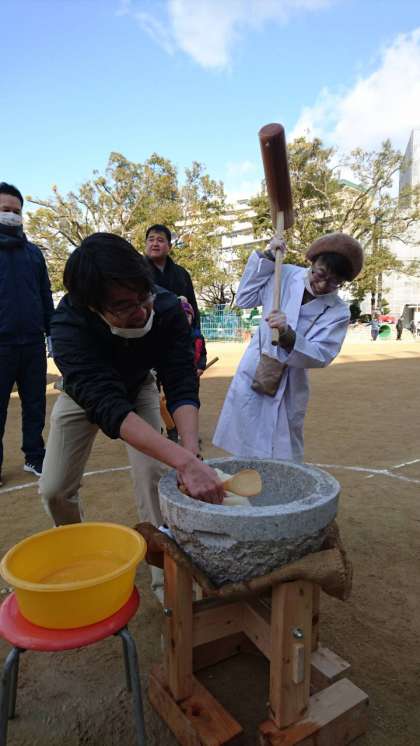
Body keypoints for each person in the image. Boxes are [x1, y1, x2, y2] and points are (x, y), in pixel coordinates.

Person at [39, 233, 224, 533]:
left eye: (143, 296)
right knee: (54, 490)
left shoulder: (166, 307)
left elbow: (180, 379)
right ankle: (76, 545)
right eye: (123, 306)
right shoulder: (67, 327)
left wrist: (190, 452)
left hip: (139, 386)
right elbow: (108, 405)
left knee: (153, 474)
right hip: (83, 396)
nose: (140, 311)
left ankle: (162, 555)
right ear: (93, 307)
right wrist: (184, 462)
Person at [213, 232, 363, 462]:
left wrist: (287, 335)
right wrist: (267, 258)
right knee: (245, 443)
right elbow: (244, 299)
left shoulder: (338, 311)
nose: (323, 285)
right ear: (312, 263)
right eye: (320, 274)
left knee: (283, 453)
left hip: (290, 382)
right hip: (255, 369)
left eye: (334, 282)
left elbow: (322, 354)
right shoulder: (283, 274)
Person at [0, 182, 54, 487]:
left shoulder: (33, 254)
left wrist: (52, 333)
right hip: (1, 345)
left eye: (16, 211)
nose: (11, 215)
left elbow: (45, 295)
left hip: (33, 343)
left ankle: (35, 455)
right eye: (5, 210)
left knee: (35, 404)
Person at [163, 296, 207, 443]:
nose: (185, 319)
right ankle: (174, 430)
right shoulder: (170, 337)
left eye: (188, 315)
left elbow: (203, 354)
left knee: (191, 403)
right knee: (172, 404)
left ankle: (189, 433)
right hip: (175, 377)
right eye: (182, 315)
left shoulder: (198, 336)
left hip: (193, 377)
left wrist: (200, 367)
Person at [145, 224, 200, 327]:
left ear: (169, 247)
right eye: (151, 240)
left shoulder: (182, 273)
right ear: (146, 243)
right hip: (148, 330)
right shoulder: (137, 271)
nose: (155, 244)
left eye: (160, 240)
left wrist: (196, 331)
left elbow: (193, 306)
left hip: (180, 330)